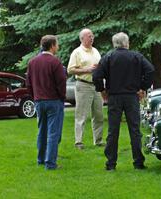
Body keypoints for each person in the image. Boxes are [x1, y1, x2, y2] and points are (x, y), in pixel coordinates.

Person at [93, 32, 154, 171]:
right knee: (135, 130)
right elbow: (150, 70)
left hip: (114, 96)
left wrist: (102, 90)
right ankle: (138, 162)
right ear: (127, 43)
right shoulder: (136, 56)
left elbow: (96, 75)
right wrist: (143, 88)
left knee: (113, 131)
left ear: (114, 44)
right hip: (132, 96)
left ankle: (111, 164)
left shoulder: (108, 57)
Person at [26, 35, 66, 170]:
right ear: (52, 46)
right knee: (53, 133)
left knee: (41, 131)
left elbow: (28, 83)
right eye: (57, 44)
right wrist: (62, 97)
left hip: (39, 101)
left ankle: (41, 159)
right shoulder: (55, 62)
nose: (58, 46)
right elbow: (61, 83)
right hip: (53, 101)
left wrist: (35, 97)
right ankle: (50, 163)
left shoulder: (32, 62)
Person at [68, 28, 104, 149]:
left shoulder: (96, 51)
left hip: (96, 85)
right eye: (89, 36)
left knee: (99, 115)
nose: (92, 37)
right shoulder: (77, 52)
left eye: (92, 35)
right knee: (81, 115)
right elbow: (70, 70)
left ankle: (98, 141)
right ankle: (79, 142)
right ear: (82, 38)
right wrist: (87, 70)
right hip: (83, 85)